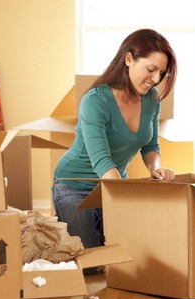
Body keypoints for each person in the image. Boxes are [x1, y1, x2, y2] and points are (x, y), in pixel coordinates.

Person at [52, 28, 178, 252]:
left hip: (116, 182)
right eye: (151, 69)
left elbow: (150, 145)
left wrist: (155, 169)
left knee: (127, 253)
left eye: (161, 72)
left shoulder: (152, 99)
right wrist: (123, 197)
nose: (156, 79)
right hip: (75, 186)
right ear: (129, 59)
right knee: (92, 260)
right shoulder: (95, 101)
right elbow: (101, 160)